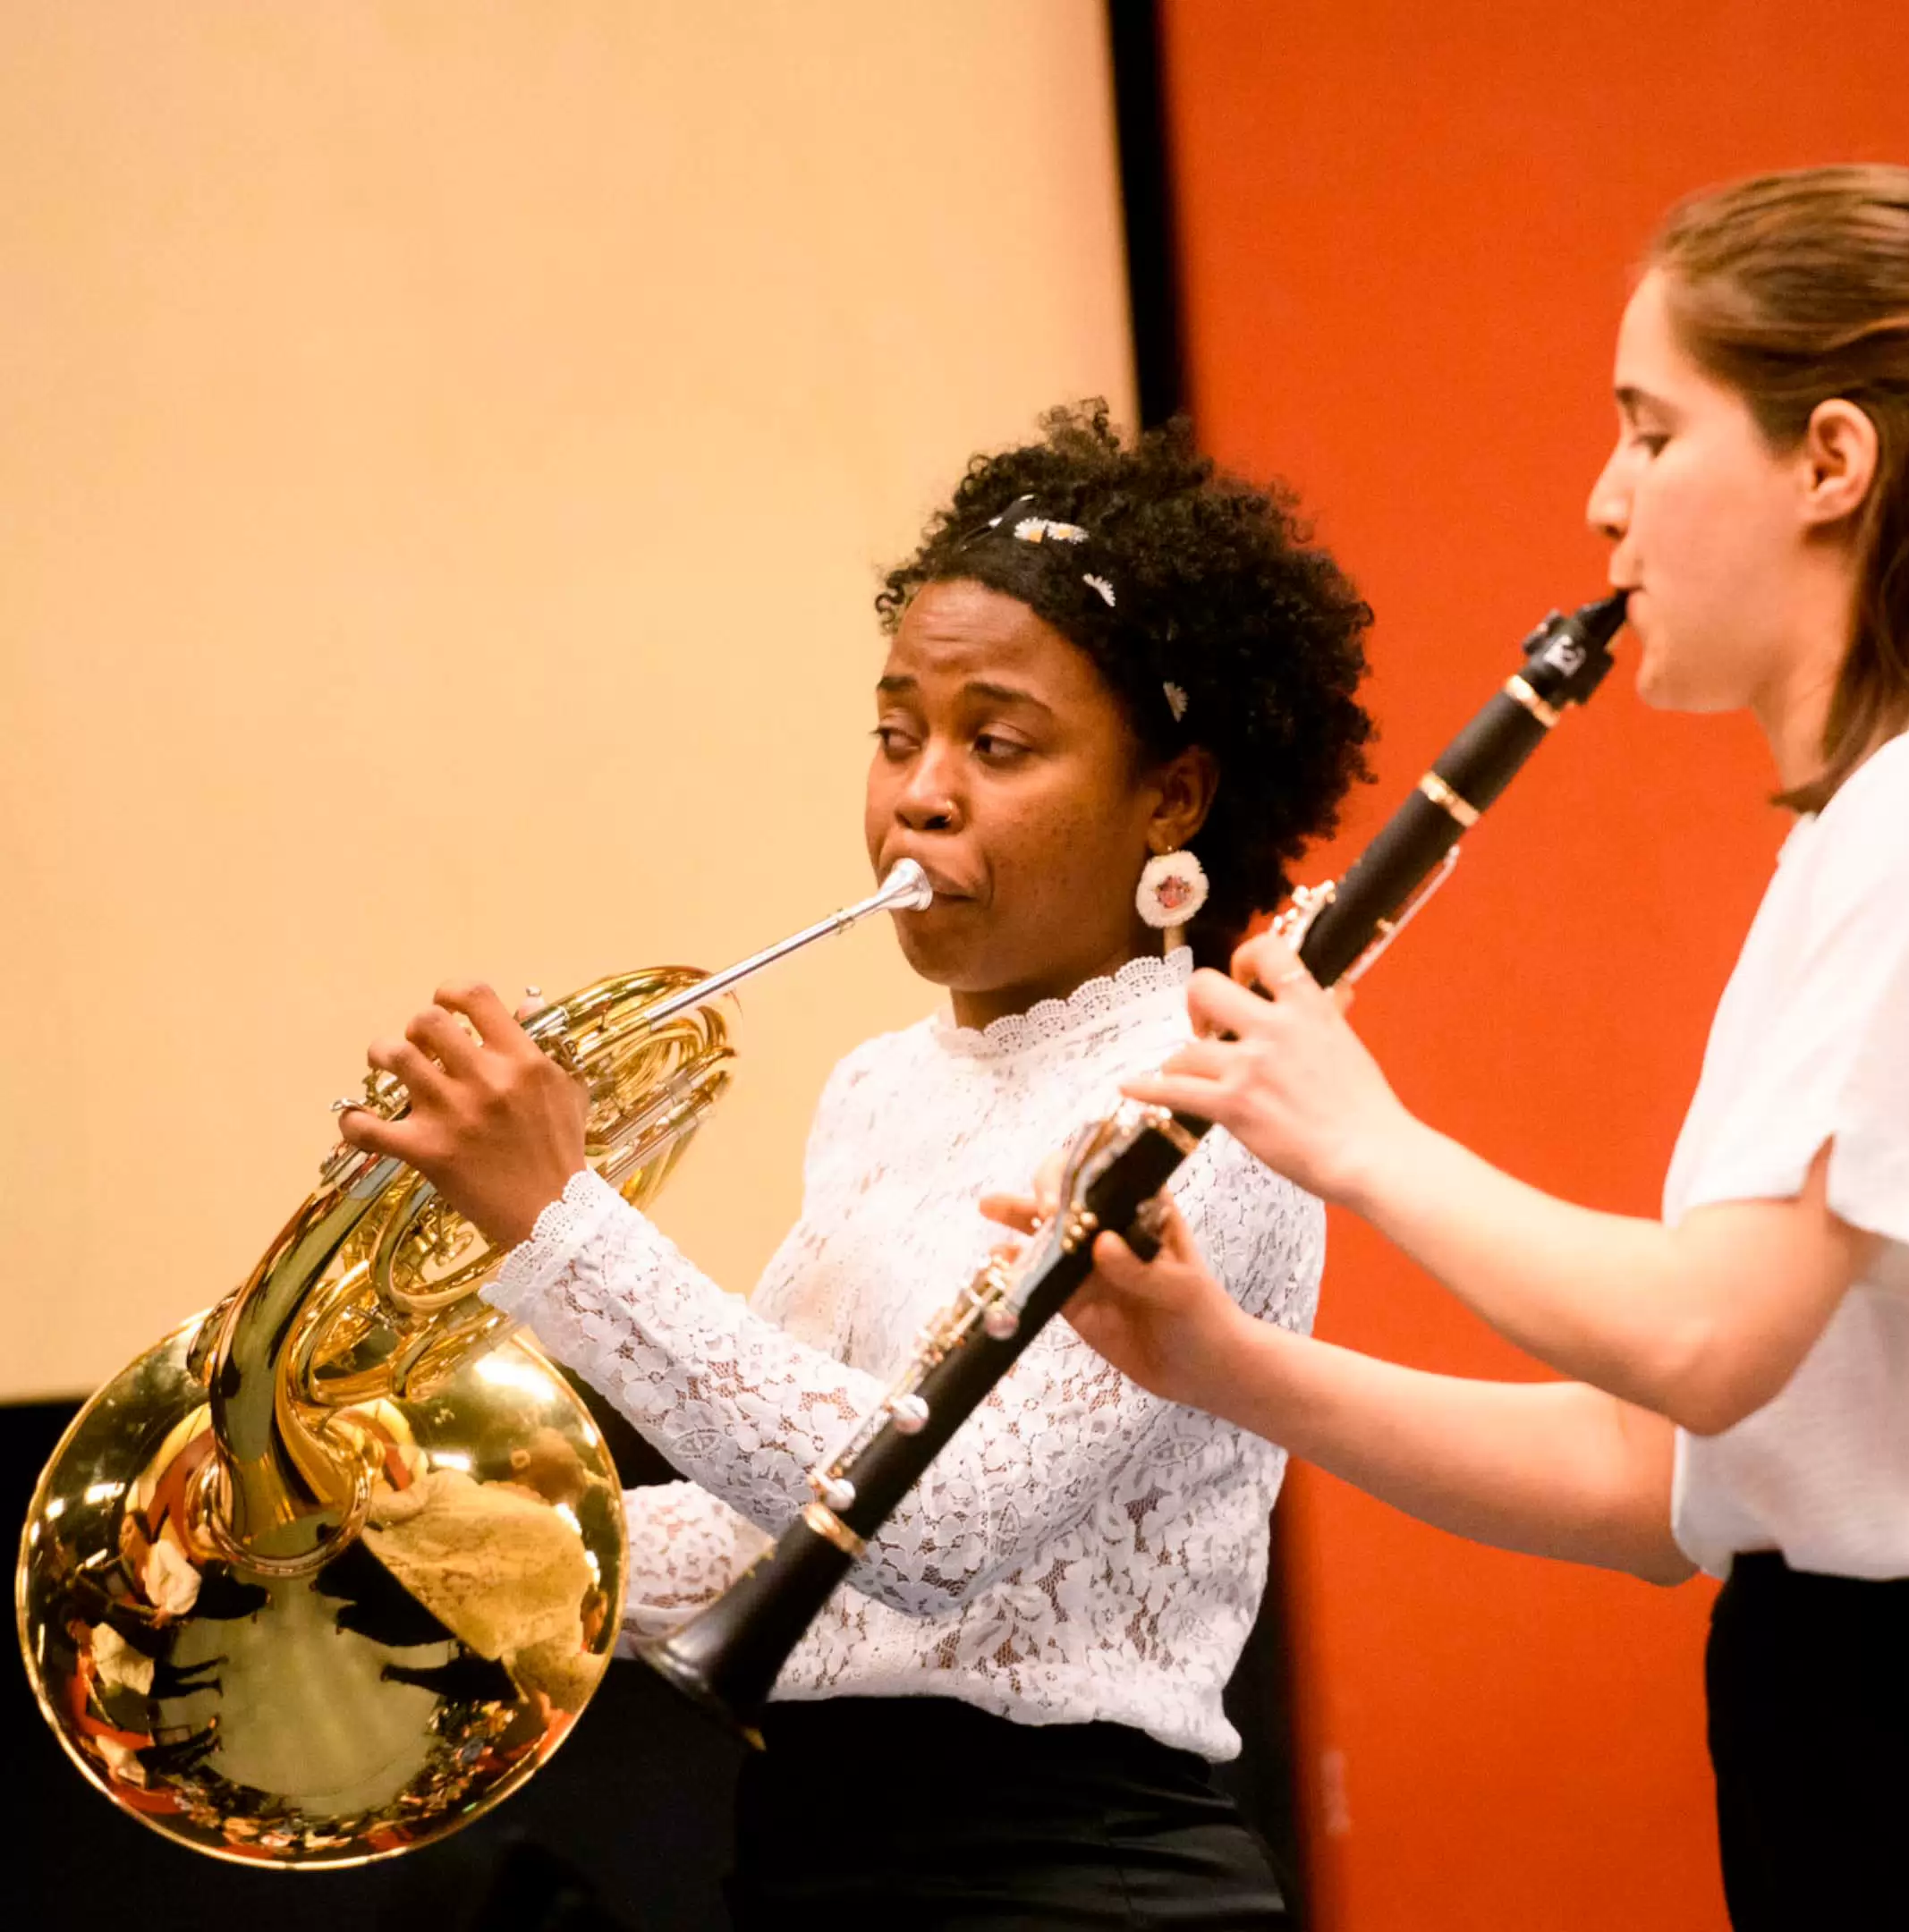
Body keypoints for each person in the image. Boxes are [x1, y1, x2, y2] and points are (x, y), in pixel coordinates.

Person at [1009, 170, 1909, 1928]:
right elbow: (1671, 1480)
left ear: (1831, 460)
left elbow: (1707, 1341)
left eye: (1650, 435)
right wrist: (1230, 1369)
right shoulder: (1874, 824)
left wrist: (1360, 1134)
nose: (1605, 501)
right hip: (1902, 1731)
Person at [337, 402, 1375, 1928]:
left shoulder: (1206, 1087)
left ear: (1175, 799)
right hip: (811, 1859)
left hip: (1072, 1884)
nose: (923, 791)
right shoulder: (877, 1088)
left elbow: (934, 1515)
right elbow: (789, 1518)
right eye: (897, 735)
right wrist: (442, 1517)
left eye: (996, 742)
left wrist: (556, 1221)